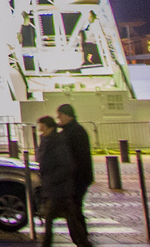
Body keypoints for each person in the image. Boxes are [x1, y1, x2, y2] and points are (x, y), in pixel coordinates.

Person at [36, 116, 91, 247]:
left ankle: (81, 243)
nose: (40, 130)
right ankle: (83, 243)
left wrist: (52, 180)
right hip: (55, 189)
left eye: (42, 127)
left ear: (49, 127)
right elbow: (41, 160)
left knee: (51, 221)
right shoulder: (47, 141)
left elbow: (67, 166)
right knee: (71, 220)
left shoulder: (58, 143)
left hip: (60, 189)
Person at [56, 104, 94, 242]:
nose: (58, 117)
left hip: (77, 179)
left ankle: (81, 239)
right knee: (74, 210)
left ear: (67, 115)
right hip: (75, 178)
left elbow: (78, 158)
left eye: (60, 114)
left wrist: (72, 177)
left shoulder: (76, 132)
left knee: (74, 210)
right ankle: (81, 238)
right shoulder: (70, 131)